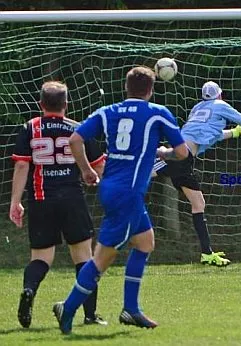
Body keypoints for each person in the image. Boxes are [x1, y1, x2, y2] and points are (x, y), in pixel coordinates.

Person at [52, 66, 189, 335]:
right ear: (151, 89)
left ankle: (130, 309)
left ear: (127, 88)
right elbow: (183, 153)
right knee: (103, 257)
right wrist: (165, 152)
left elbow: (75, 138)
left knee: (145, 242)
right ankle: (67, 308)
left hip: (114, 188)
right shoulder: (158, 113)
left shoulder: (109, 111)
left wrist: (86, 170)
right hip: (128, 193)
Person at [9, 81, 107, 328]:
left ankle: (29, 290)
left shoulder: (29, 128)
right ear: (66, 104)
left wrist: (15, 202)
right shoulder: (77, 128)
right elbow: (99, 166)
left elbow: (22, 165)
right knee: (84, 257)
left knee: (41, 257)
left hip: (41, 199)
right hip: (72, 198)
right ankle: (89, 314)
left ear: (41, 104)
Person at [153, 81, 241, 266]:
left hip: (183, 157)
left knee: (198, 203)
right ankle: (114, 168)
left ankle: (207, 253)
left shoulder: (197, 109)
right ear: (220, 95)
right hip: (180, 159)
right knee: (138, 176)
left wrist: (235, 133)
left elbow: (209, 136)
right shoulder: (221, 105)